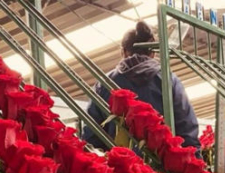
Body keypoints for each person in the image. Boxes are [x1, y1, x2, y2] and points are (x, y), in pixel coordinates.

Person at [82, 21, 200, 151]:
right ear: (153, 53)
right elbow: (187, 130)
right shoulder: (169, 81)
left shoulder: (104, 83)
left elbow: (92, 135)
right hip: (160, 166)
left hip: (119, 166)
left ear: (124, 52)